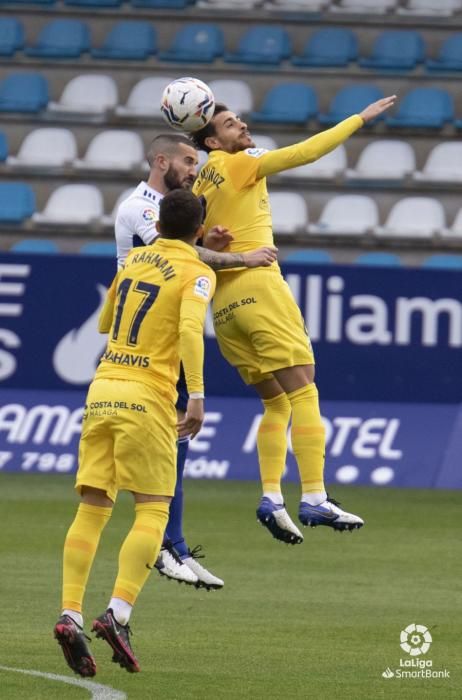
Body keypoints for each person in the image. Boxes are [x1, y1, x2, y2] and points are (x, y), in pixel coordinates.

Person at [191, 96, 397, 544]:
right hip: (259, 286)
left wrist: (214, 236)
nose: (241, 125)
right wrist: (358, 119)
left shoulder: (196, 186)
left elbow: (191, 241)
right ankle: (315, 496)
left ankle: (271, 497)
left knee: (276, 403)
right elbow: (306, 152)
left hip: (222, 307)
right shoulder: (238, 161)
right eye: (229, 124)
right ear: (212, 141)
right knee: (304, 390)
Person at [54, 189, 218, 677]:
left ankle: (69, 613)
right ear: (199, 229)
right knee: (152, 508)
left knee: (92, 507)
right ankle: (118, 614)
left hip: (102, 389)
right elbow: (190, 330)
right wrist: (199, 394)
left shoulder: (135, 260)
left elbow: (106, 320)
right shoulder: (198, 271)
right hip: (147, 396)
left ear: (159, 222)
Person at [110, 133, 277, 589]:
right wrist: (244, 257)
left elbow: (184, 258)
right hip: (146, 346)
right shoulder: (140, 208)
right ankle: (163, 545)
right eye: (187, 161)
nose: (192, 169)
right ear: (160, 160)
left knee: (176, 446)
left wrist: (217, 246)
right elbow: (179, 258)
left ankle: (174, 544)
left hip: (161, 339)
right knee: (157, 453)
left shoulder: (172, 210)